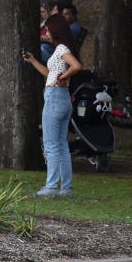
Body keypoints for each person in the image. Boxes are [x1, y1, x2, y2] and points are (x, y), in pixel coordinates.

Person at [23, 14, 82, 198]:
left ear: (55, 30)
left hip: (55, 98)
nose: (45, 32)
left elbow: (76, 66)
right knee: (62, 144)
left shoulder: (62, 48)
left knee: (51, 144)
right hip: (62, 99)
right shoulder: (59, 50)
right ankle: (66, 188)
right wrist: (33, 61)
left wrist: (63, 78)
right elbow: (50, 74)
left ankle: (51, 187)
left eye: (47, 29)